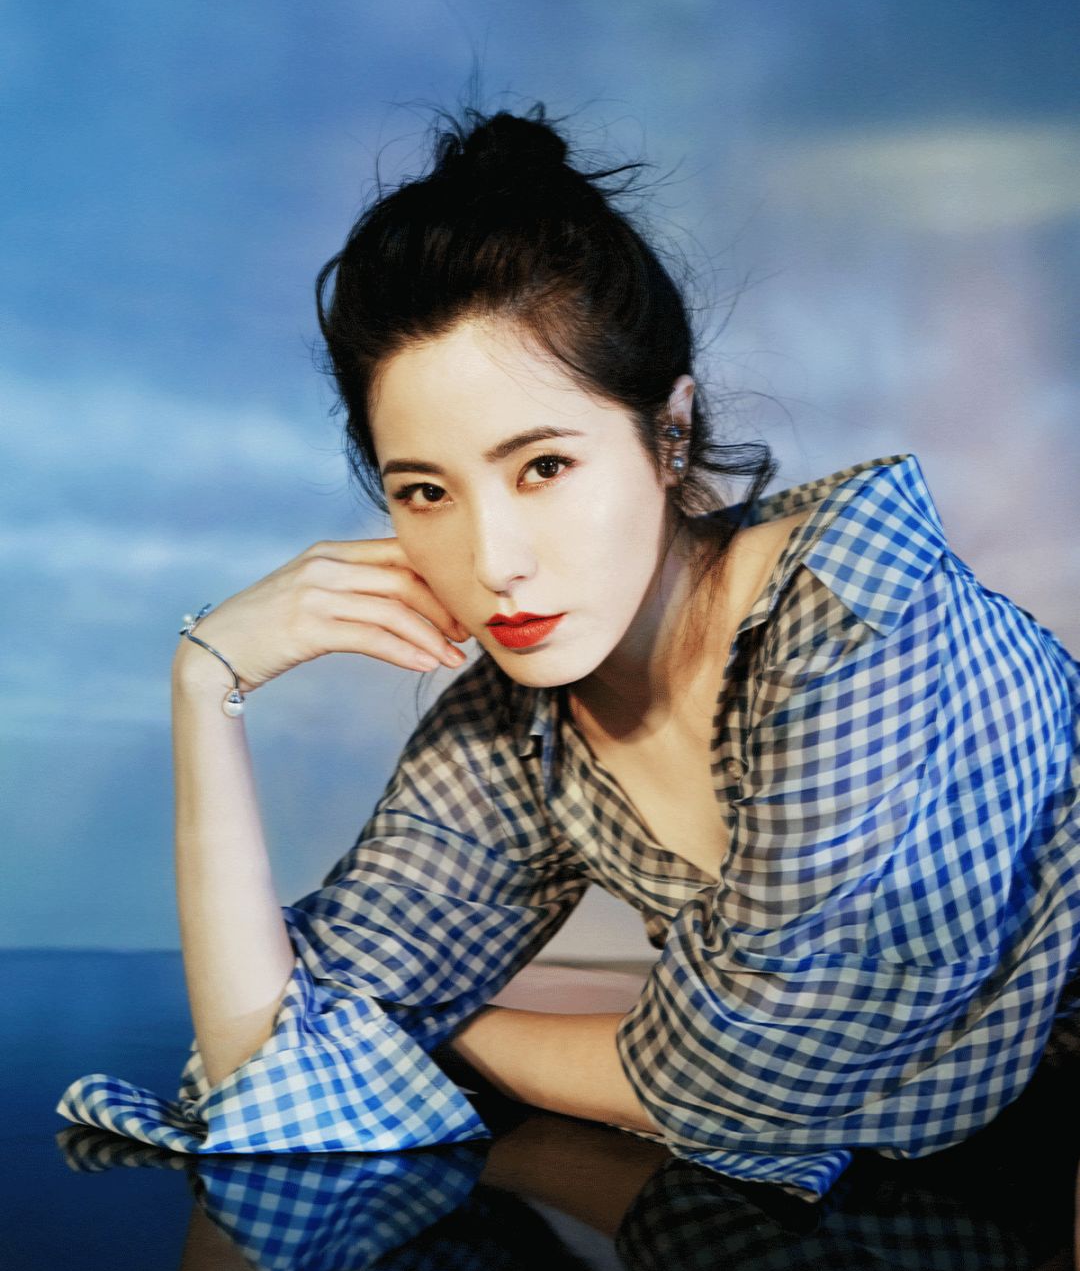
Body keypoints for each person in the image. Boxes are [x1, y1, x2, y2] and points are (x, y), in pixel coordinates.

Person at [57, 103, 1080, 1203]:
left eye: (542, 468)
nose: (494, 561)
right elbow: (265, 1071)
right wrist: (205, 680)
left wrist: (447, 1031)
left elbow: (762, 1081)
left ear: (669, 431)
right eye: (425, 492)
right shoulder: (524, 723)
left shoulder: (862, 619)